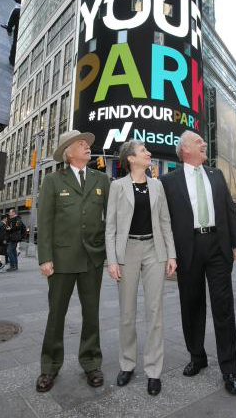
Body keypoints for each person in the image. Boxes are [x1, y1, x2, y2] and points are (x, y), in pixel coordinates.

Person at [161, 130, 236, 396]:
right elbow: (164, 221)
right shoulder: (168, 181)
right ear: (185, 149)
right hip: (189, 249)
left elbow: (229, 210)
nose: (203, 144)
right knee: (192, 305)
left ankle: (229, 369)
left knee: (224, 307)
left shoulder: (216, 175)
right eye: (198, 142)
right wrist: (169, 253)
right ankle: (197, 357)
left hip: (218, 247)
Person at [36, 130, 110, 393]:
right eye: (81, 144)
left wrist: (109, 252)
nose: (87, 147)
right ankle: (49, 367)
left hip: (93, 259)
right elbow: (44, 222)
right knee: (56, 315)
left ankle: (91, 362)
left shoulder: (102, 178)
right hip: (62, 260)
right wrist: (45, 257)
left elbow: (110, 219)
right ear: (69, 153)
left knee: (92, 314)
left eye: (88, 143)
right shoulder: (53, 181)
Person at [105, 140, 176, 396]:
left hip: (154, 250)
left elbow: (165, 222)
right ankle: (127, 364)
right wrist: (112, 260)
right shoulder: (117, 186)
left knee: (155, 311)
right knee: (127, 312)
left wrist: (171, 254)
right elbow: (110, 226)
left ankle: (154, 370)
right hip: (128, 252)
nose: (149, 153)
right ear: (131, 159)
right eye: (143, 150)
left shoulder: (157, 185)